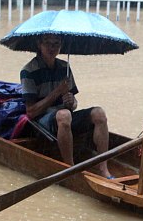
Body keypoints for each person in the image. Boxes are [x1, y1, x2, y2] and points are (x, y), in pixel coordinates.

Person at [20, 34, 112, 178]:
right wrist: (56, 93)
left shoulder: (64, 67)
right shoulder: (28, 71)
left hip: (65, 117)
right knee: (64, 115)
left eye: (56, 44)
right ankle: (70, 168)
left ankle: (103, 168)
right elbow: (31, 112)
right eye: (48, 43)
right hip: (42, 122)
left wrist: (71, 101)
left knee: (99, 113)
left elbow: (73, 103)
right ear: (39, 44)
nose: (52, 48)